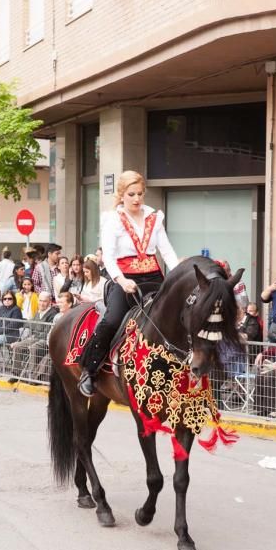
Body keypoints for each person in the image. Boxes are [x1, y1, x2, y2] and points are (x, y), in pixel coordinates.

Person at [79, 170, 179, 397]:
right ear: (122, 195)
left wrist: (179, 272)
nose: (136, 199)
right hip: (123, 278)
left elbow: (167, 252)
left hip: (154, 277)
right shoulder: (113, 220)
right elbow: (109, 257)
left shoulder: (155, 217)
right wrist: (121, 280)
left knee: (176, 316)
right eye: (131, 194)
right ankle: (90, 370)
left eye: (140, 194)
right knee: (112, 319)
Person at [8, 291, 59, 382]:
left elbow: (46, 332)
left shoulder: (52, 313)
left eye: (44, 301)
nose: (41, 303)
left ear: (50, 302)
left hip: (44, 340)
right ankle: (16, 374)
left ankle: (32, 376)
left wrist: (33, 339)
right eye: (40, 301)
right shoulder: (38, 312)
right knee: (17, 346)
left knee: (33, 347)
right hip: (35, 337)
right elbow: (30, 327)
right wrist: (21, 340)